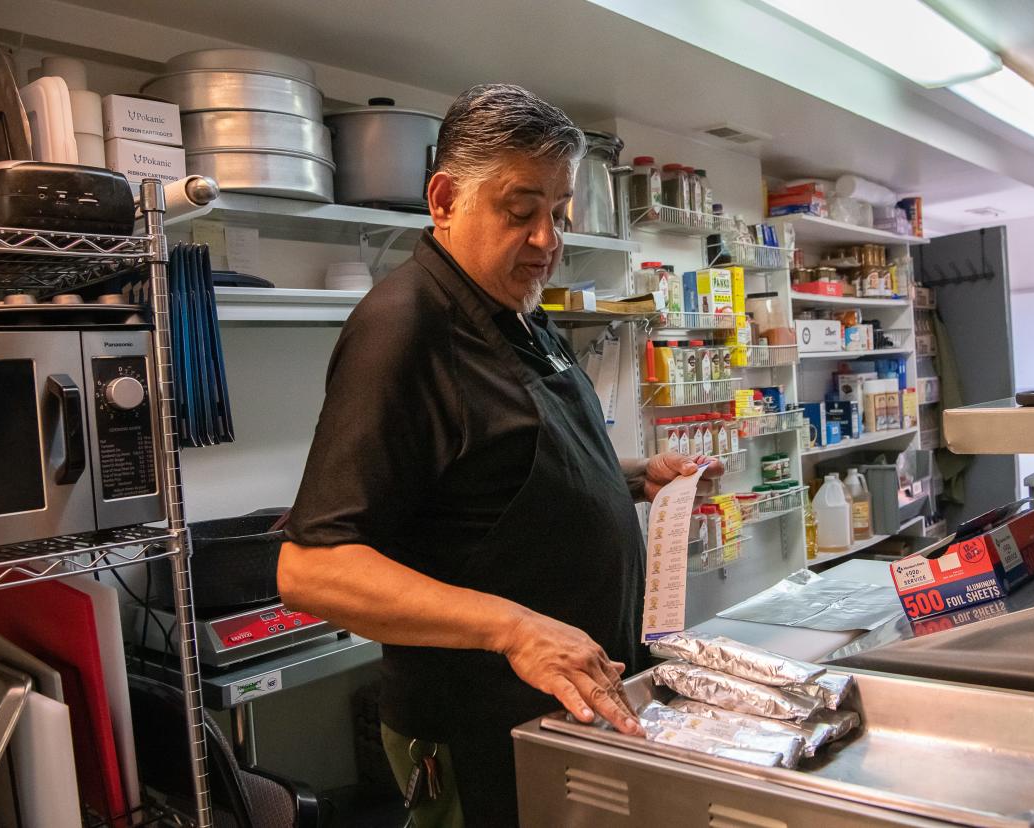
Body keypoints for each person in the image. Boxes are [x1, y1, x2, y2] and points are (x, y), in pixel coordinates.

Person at [278, 83, 721, 827]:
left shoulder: (518, 313)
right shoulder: (404, 329)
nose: (548, 240)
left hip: (563, 714)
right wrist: (515, 627)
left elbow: (498, 474)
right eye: (521, 212)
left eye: (558, 214)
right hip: (480, 730)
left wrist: (634, 481)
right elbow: (311, 566)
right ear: (446, 200)